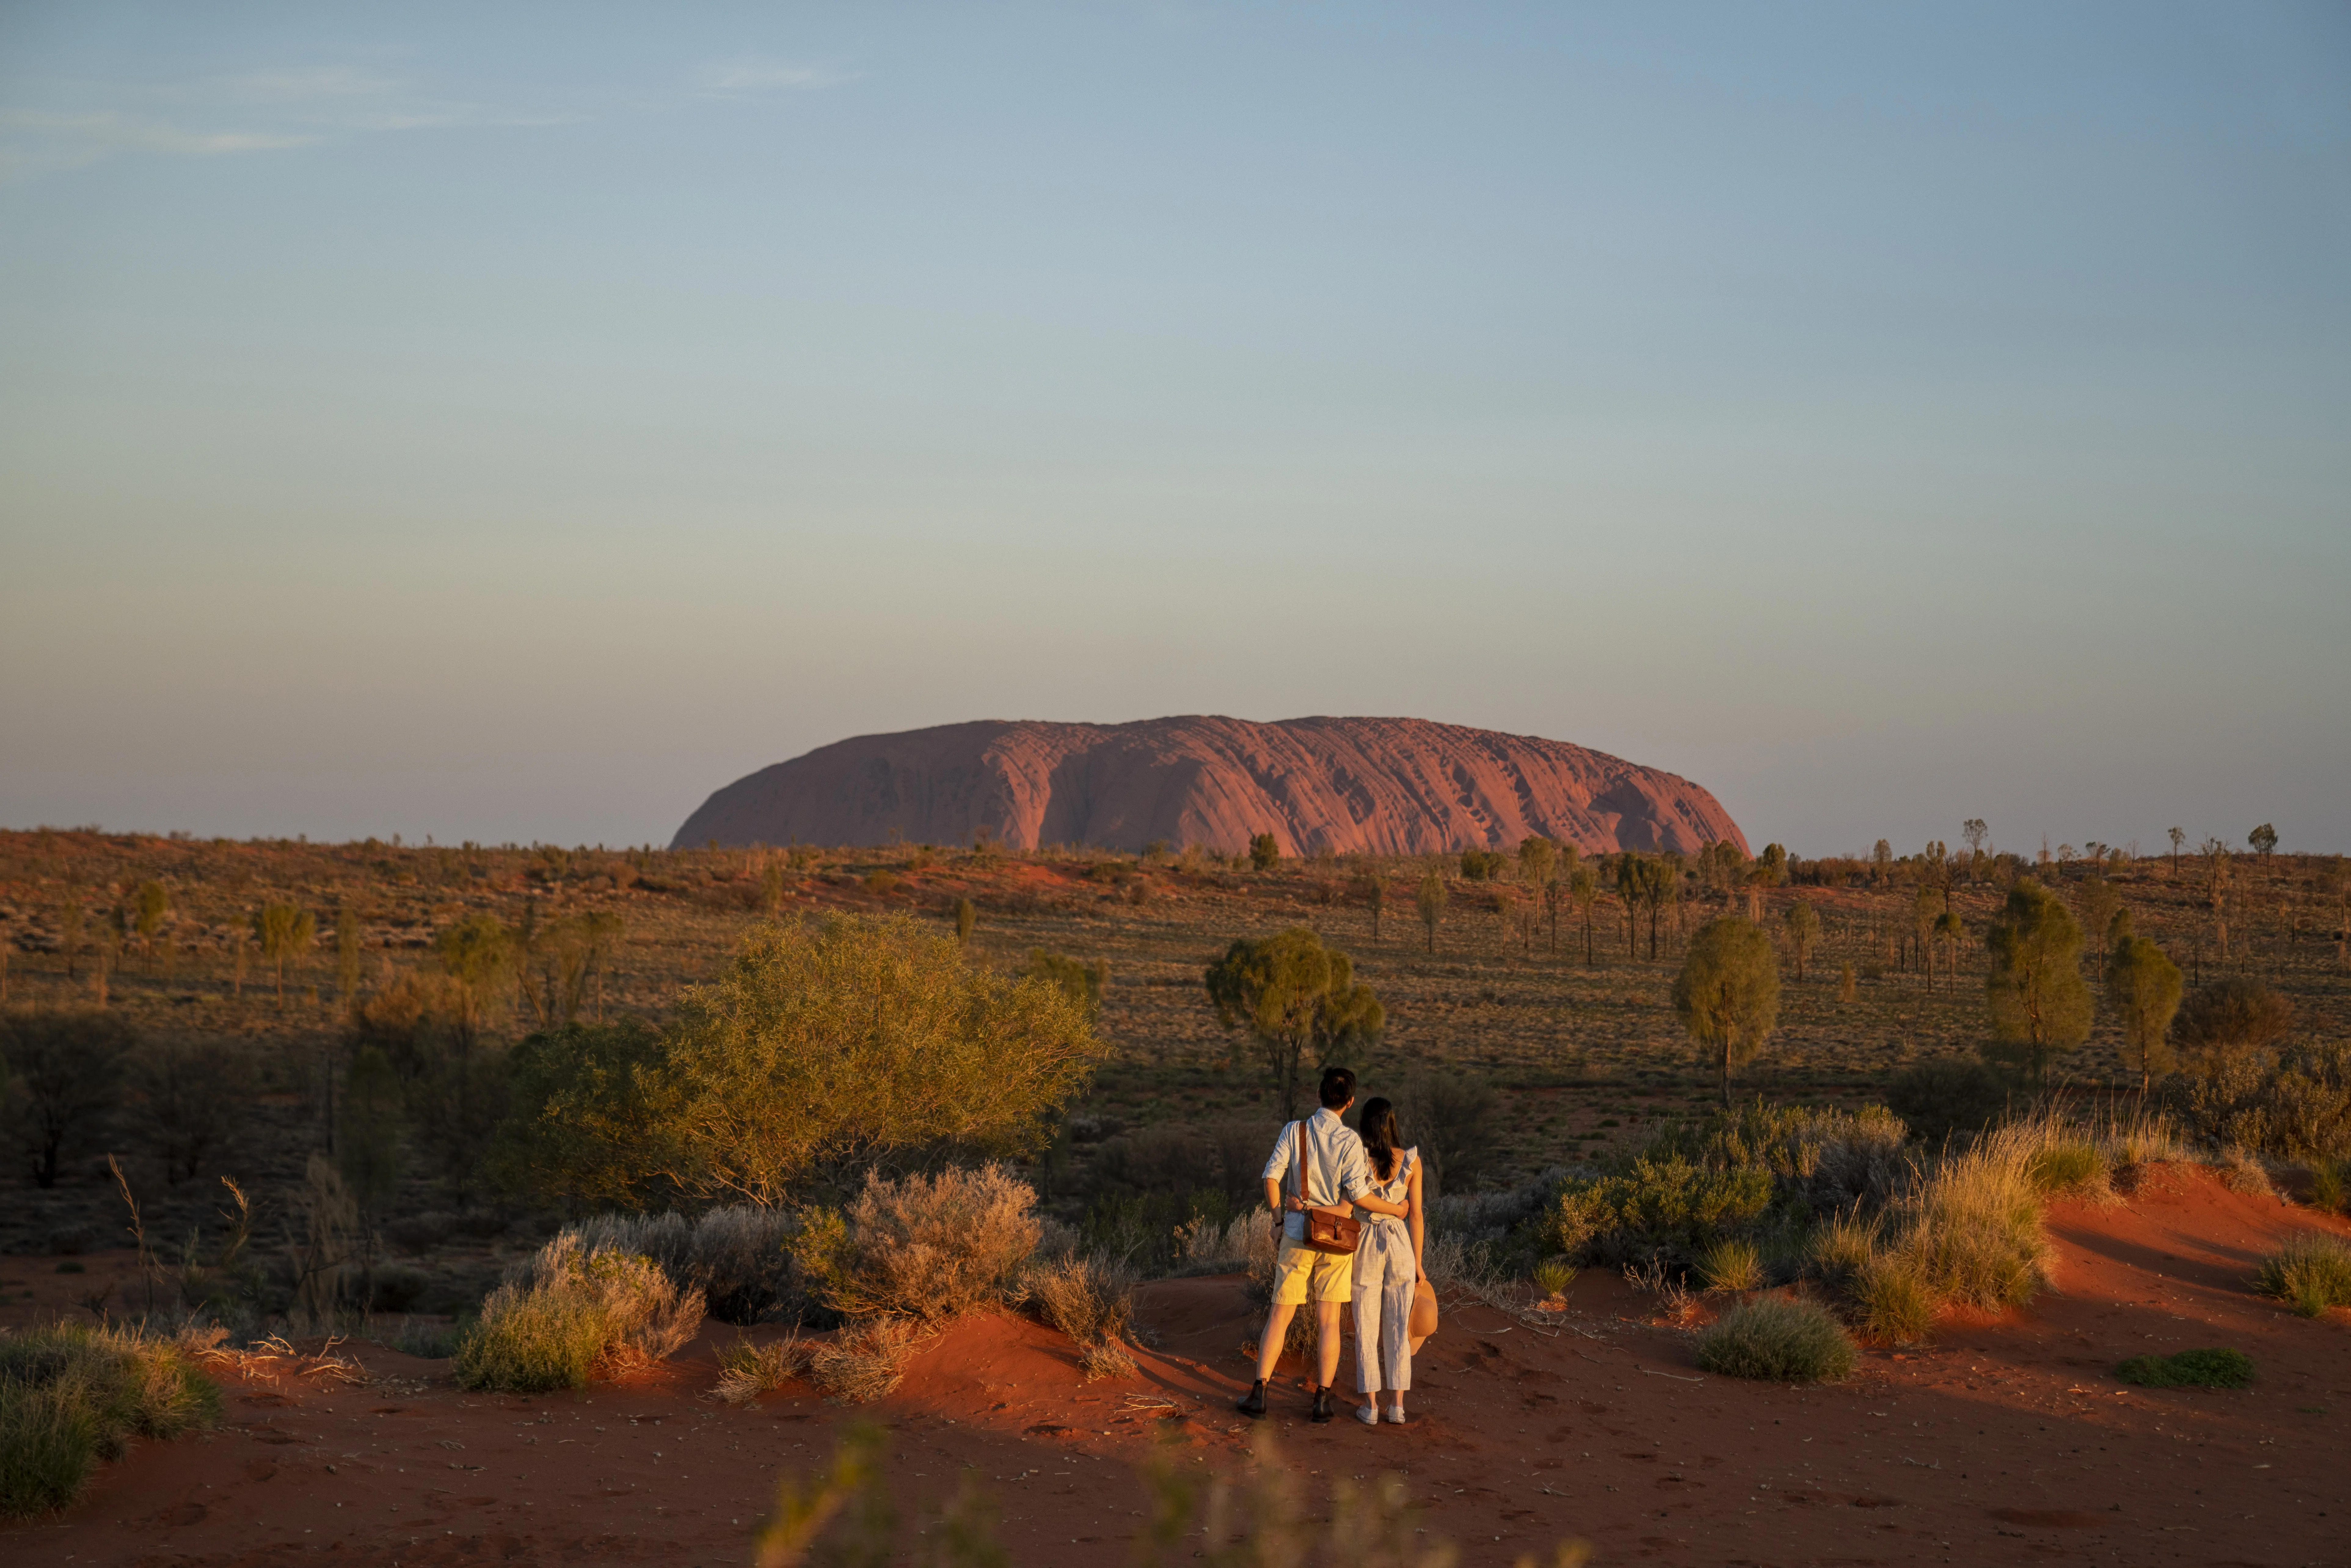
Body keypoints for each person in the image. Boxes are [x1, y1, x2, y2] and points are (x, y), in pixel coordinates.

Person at [1235, 1066, 1411, 1423]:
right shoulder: (1351, 1144)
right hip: (1336, 1239)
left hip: (1297, 1234)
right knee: (1329, 1320)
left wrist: (1279, 1221)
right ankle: (1322, 1400)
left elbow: (1271, 1177)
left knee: (1281, 1315)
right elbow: (1358, 1197)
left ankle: (1260, 1392)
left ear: (1318, 1095)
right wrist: (1397, 1209)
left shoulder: (1294, 1130)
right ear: (1349, 1102)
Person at [1348, 1096, 1423, 1425]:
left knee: (1366, 1321)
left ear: (1365, 1123)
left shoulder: (1357, 1158)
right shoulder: (1411, 1160)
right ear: (1392, 1121)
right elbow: (1417, 1216)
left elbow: (1348, 1202)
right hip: (1400, 1243)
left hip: (1365, 1238)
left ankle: (1371, 1406)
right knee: (1398, 1322)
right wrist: (1419, 1263)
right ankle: (1398, 1405)